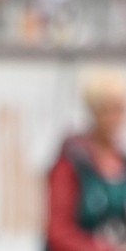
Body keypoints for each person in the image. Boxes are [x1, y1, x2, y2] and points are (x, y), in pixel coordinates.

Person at [46, 72, 126, 251]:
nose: (113, 118)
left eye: (118, 109)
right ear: (93, 112)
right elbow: (57, 231)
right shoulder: (72, 161)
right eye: (105, 110)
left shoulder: (121, 162)